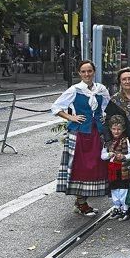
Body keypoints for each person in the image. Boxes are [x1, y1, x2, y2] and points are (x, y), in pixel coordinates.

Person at [51, 60, 111, 216]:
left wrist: (104, 116)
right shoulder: (74, 90)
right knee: (80, 167)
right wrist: (71, 117)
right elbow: (56, 107)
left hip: (96, 133)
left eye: (89, 71)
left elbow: (107, 106)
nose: (87, 74)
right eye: (83, 71)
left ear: (94, 72)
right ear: (79, 73)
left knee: (94, 166)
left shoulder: (101, 89)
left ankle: (81, 202)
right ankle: (81, 202)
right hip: (79, 134)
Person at [101, 115, 130, 220]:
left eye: (119, 129)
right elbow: (102, 156)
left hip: (123, 168)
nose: (116, 131)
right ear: (110, 129)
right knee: (114, 189)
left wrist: (124, 156)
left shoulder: (126, 140)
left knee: (123, 189)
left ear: (123, 129)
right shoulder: (107, 142)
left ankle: (125, 208)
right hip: (112, 168)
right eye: (114, 129)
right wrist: (108, 155)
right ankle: (117, 207)